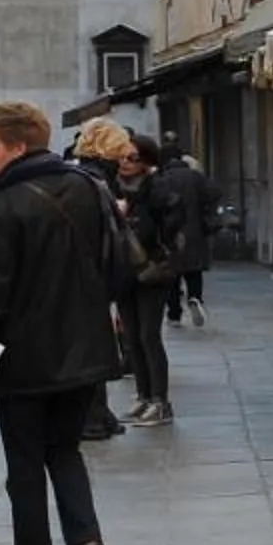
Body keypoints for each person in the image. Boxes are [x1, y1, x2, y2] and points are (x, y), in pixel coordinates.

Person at [0, 100, 115, 545]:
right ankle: (86, 539)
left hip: (22, 356)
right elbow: (112, 262)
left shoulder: (3, 206)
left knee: (24, 466)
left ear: (19, 146)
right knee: (64, 449)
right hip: (84, 347)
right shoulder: (88, 188)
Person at [69, 120, 139, 438]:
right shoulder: (93, 180)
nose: (125, 158)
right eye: (121, 151)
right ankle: (92, 417)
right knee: (93, 348)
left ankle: (98, 413)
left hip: (86, 275)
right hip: (89, 276)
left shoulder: (86, 176)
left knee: (95, 345)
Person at [114, 135, 179, 425]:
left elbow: (170, 229)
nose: (125, 162)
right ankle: (143, 396)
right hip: (125, 270)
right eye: (122, 156)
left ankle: (160, 401)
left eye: (133, 158)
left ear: (147, 161)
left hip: (153, 270)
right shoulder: (117, 187)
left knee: (149, 335)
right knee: (131, 337)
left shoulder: (158, 189)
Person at [153, 136, 214, 329]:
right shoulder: (196, 177)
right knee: (194, 271)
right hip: (195, 230)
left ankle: (174, 314)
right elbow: (213, 193)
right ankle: (195, 298)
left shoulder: (161, 179)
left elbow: (155, 205)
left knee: (172, 275)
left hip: (170, 232)